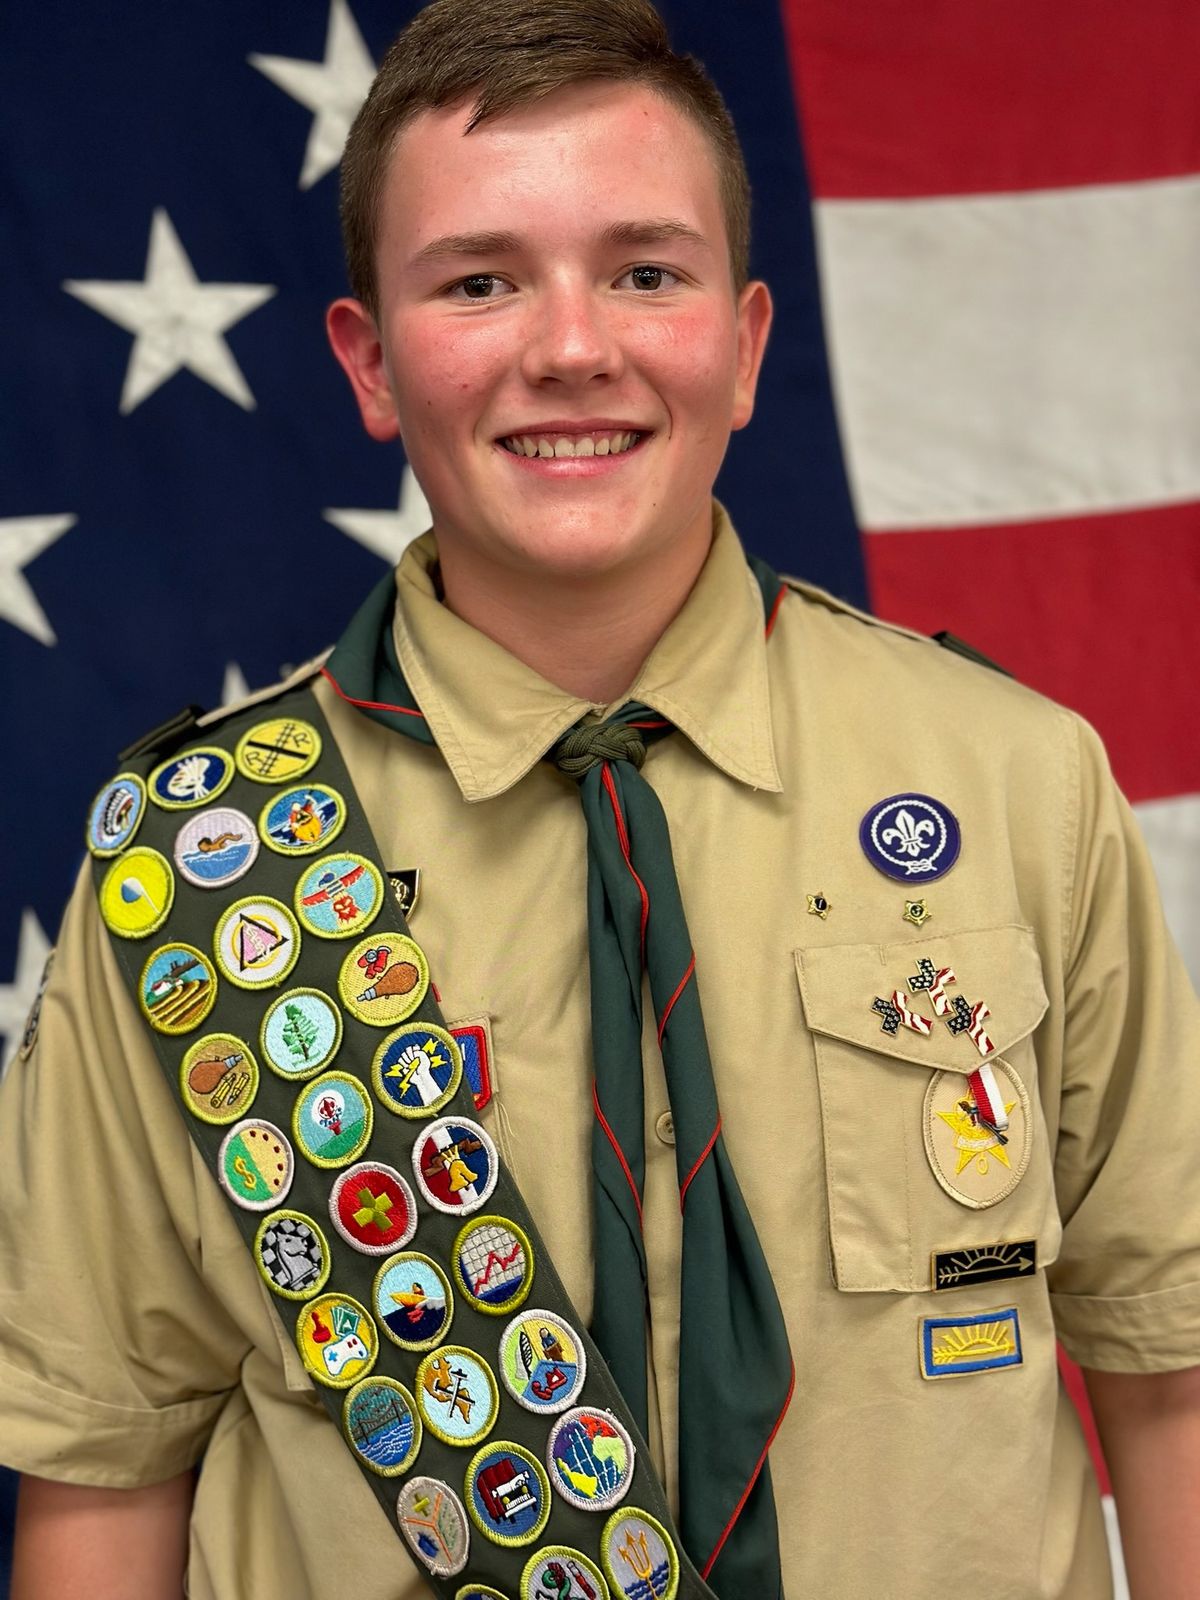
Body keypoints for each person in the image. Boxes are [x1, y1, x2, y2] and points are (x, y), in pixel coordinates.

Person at [4, 1, 1199, 1596]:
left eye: (647, 270)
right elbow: (106, 1479)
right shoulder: (203, 876)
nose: (574, 346)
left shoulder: (1012, 784)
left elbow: (1166, 1365)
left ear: (751, 342)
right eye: (481, 280)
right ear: (367, 362)